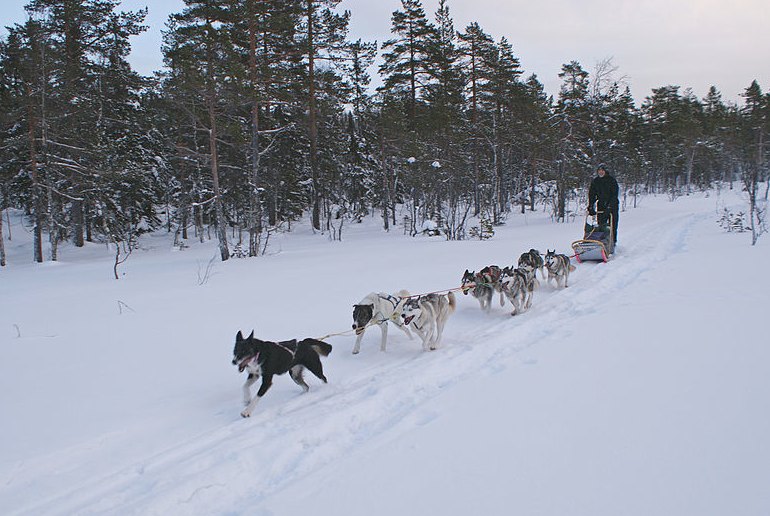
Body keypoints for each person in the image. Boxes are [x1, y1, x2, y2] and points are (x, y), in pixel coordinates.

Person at [587, 163, 619, 244]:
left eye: (602, 171)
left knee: (612, 225)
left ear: (605, 171)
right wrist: (591, 206)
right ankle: (602, 242)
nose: (601, 172)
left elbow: (614, 195)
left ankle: (612, 242)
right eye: (599, 171)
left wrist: (609, 206)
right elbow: (592, 194)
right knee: (601, 225)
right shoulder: (596, 181)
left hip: (612, 205)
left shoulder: (611, 181)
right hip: (601, 205)